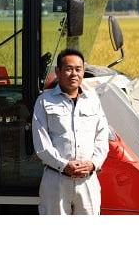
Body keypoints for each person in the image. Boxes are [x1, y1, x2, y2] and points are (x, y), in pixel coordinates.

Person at [32, 47, 109, 215]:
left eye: (78, 69)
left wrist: (93, 164)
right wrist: (64, 165)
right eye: (68, 69)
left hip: (87, 180)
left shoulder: (93, 100)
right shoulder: (44, 101)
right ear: (58, 72)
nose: (74, 74)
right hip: (56, 180)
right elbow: (41, 144)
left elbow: (102, 138)